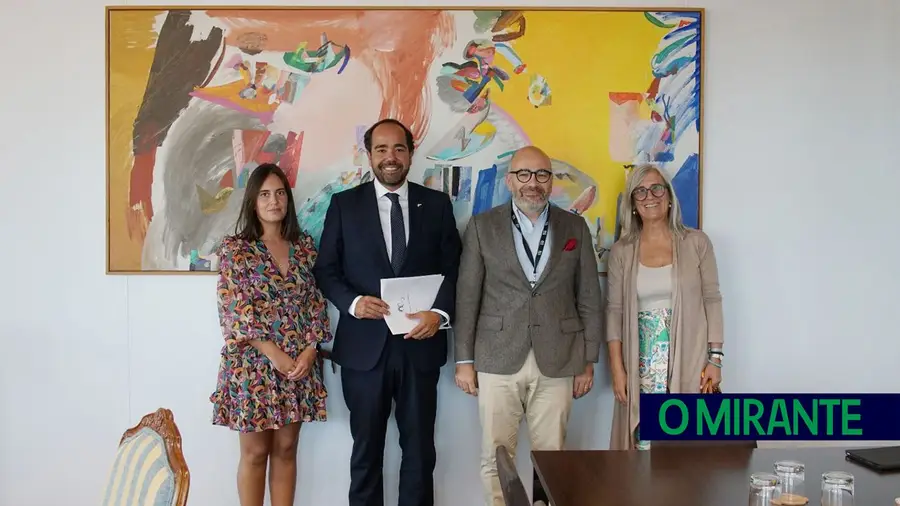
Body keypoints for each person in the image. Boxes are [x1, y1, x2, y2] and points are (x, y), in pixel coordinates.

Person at [312, 118, 462, 506]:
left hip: (420, 346)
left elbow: (454, 267)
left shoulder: (436, 205)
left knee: (420, 453)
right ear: (370, 155)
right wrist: (354, 303)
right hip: (364, 352)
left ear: (411, 153)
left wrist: (440, 315)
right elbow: (326, 270)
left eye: (398, 149)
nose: (390, 157)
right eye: (381, 149)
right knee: (366, 454)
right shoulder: (344, 205)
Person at [453, 146, 603, 506]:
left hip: (560, 357)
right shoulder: (482, 226)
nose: (532, 183)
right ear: (509, 181)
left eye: (541, 175)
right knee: (495, 457)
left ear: (551, 182)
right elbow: (467, 295)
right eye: (523, 174)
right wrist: (464, 361)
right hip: (497, 355)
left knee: (552, 459)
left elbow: (589, 297)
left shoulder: (574, 226)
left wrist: (588, 359)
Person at [209, 163, 333, 506]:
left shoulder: (305, 246)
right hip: (254, 365)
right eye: (264, 194)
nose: (273, 201)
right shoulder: (236, 250)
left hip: (298, 366)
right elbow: (233, 309)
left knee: (287, 448)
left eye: (280, 193)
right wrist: (273, 353)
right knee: (255, 452)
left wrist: (310, 350)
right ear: (253, 202)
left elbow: (315, 303)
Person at [605, 163, 724, 451]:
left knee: (686, 444)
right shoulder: (622, 251)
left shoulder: (696, 242)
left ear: (669, 196)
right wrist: (617, 369)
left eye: (656, 188)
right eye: (640, 191)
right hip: (640, 362)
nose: (650, 196)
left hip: (690, 356)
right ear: (633, 203)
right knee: (642, 446)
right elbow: (614, 311)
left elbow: (712, 299)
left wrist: (715, 358)